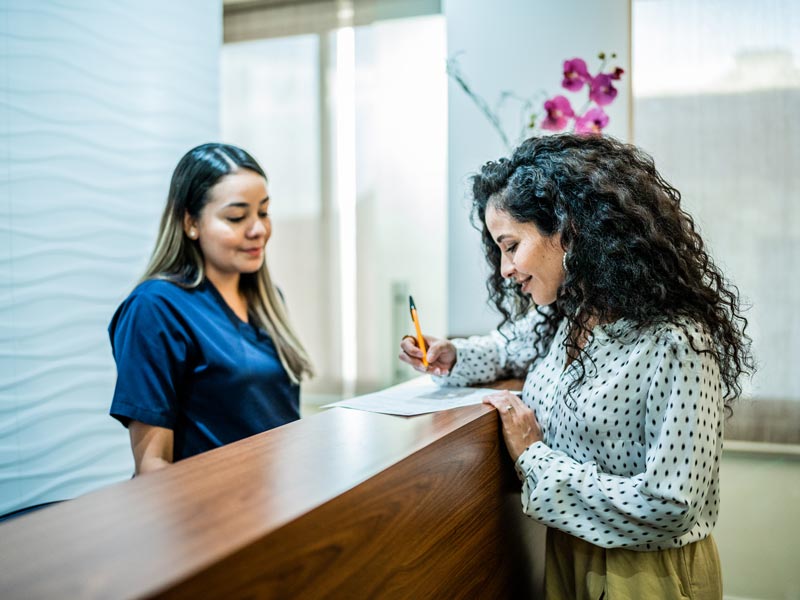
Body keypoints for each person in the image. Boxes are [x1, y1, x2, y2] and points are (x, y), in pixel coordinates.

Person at [399, 134, 753, 599]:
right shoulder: (572, 313)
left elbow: (673, 506)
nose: (505, 269)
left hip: (645, 575)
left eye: (511, 246)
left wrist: (534, 458)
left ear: (568, 231)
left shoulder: (676, 341)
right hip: (570, 552)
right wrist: (453, 354)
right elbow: (509, 347)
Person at [109, 143, 313, 475]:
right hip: (212, 516)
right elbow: (153, 466)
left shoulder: (269, 300)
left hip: (278, 501)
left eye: (263, 212)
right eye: (237, 217)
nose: (258, 229)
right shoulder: (155, 308)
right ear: (190, 222)